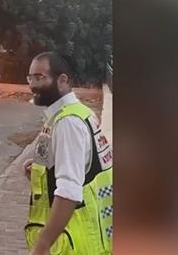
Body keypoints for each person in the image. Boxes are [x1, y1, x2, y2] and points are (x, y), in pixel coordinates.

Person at [23, 52, 113, 255]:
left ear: (62, 80)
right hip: (86, 238)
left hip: (75, 242)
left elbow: (69, 191)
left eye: (40, 77)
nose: (33, 85)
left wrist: (42, 245)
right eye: (30, 78)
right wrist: (40, 172)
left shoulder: (68, 123)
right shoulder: (79, 113)